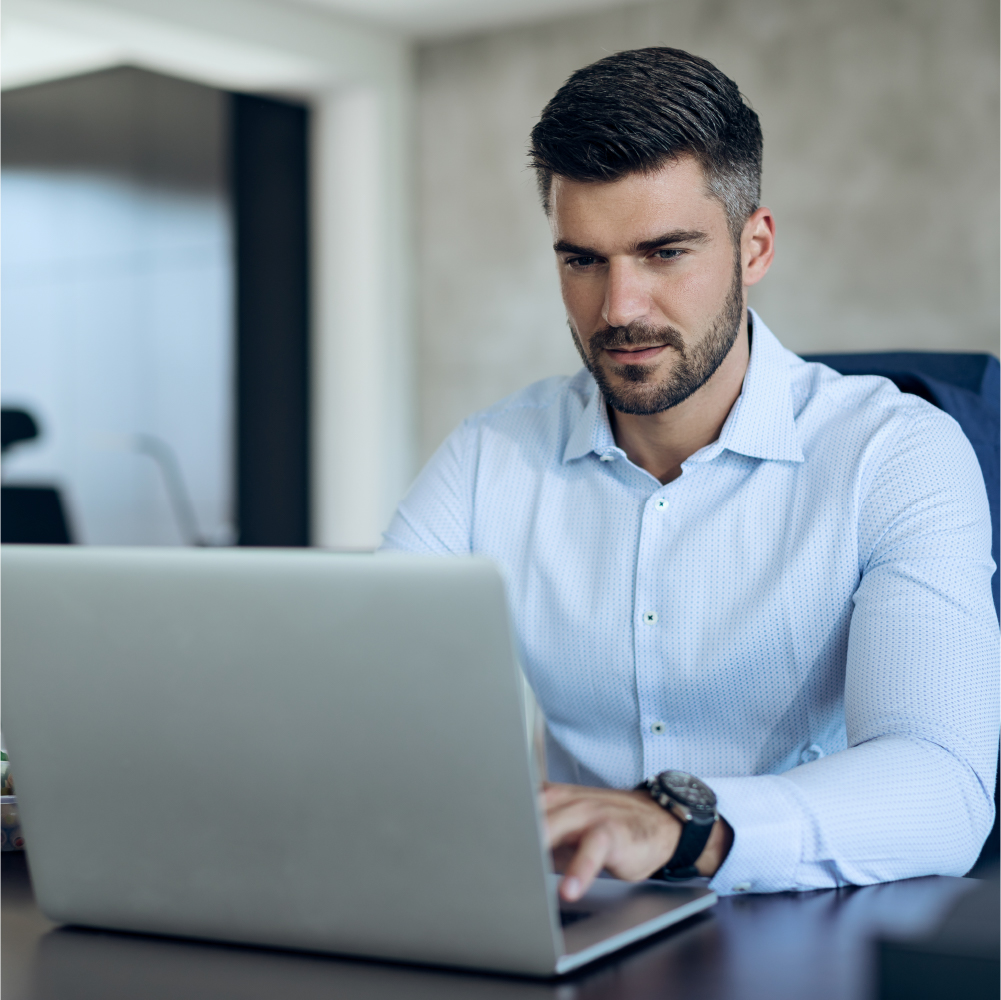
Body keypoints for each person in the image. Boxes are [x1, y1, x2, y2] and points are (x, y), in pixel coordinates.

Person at [381, 48, 999, 900]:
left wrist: (680, 826)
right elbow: (365, 704)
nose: (618, 308)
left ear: (754, 246)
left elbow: (943, 787)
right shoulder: (490, 457)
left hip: (809, 932)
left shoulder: (894, 453)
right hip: (577, 921)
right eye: (582, 260)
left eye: (663, 253)